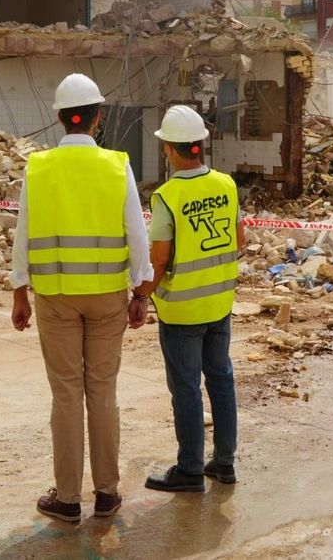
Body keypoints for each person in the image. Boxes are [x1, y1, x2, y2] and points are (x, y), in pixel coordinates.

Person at [9, 73, 153, 523]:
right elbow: (136, 229)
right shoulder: (116, 164)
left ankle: (68, 499)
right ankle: (107, 494)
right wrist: (141, 289)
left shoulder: (39, 166)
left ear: (58, 118)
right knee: (102, 391)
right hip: (108, 295)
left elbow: (23, 232)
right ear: (98, 118)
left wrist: (19, 290)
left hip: (55, 297)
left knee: (67, 393)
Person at [134, 105, 242, 492]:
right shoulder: (226, 185)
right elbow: (239, 240)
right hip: (220, 303)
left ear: (170, 150)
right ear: (200, 146)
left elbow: (159, 258)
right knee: (221, 380)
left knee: (185, 388)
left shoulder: (168, 196)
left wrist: (142, 294)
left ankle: (191, 469)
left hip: (182, 309)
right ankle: (224, 463)